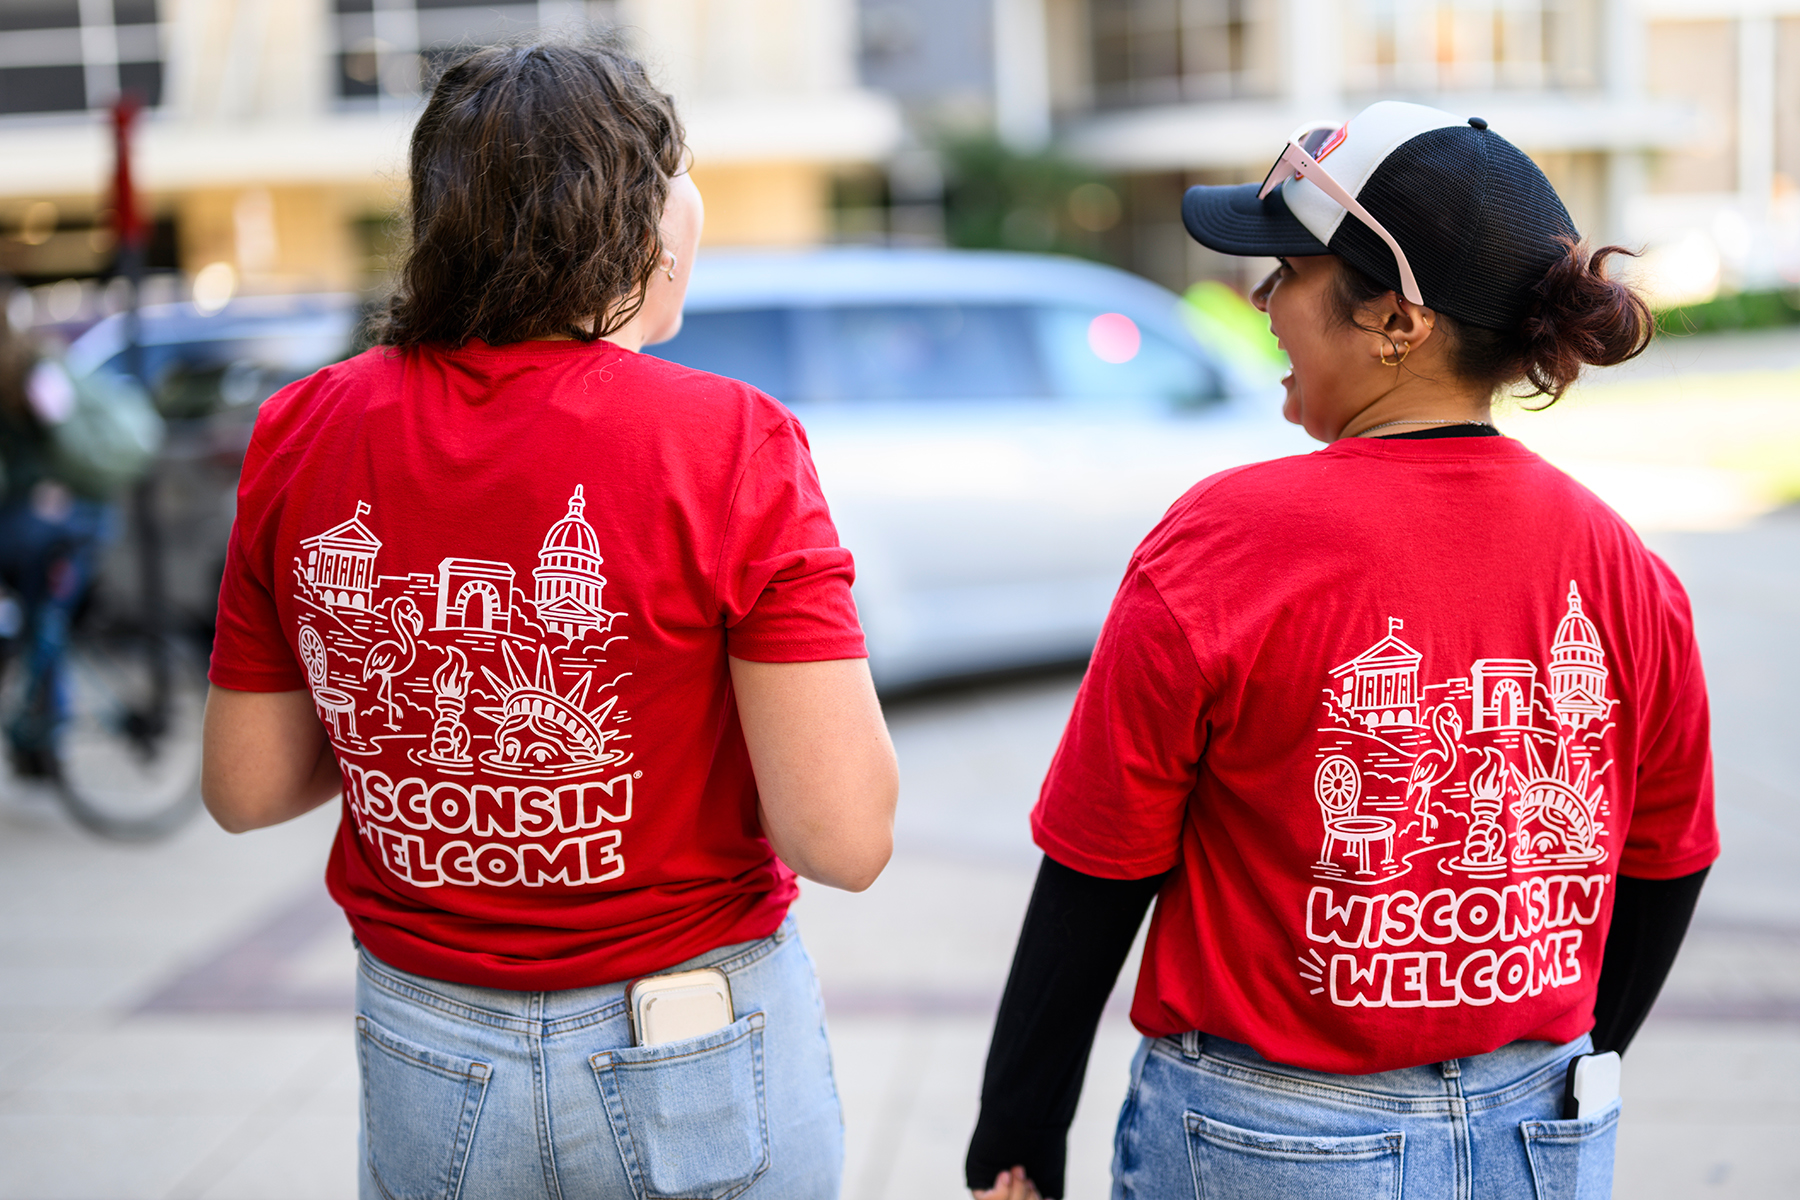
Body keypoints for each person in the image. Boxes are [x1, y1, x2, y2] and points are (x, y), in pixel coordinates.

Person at [965, 101, 1716, 1200]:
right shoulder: (1620, 561)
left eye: (1287, 274)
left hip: (1266, 1137)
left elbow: (1097, 863)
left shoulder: (1227, 539)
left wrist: (1017, 1128)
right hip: (1542, 1133)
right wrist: (1575, 1063)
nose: (1260, 303)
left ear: (1397, 321)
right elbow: (1670, 858)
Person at [200, 38, 898, 1200]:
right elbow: (846, 837)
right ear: (639, 214)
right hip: (690, 1036)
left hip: (425, 1040)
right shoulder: (726, 441)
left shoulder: (305, 428)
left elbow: (247, 783)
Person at [0, 306, 113, 777]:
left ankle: (48, 732)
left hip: (44, 520)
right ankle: (39, 734)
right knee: (45, 622)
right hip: (57, 518)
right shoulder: (32, 361)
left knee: (45, 622)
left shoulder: (31, 366)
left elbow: (66, 435)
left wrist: (51, 486)